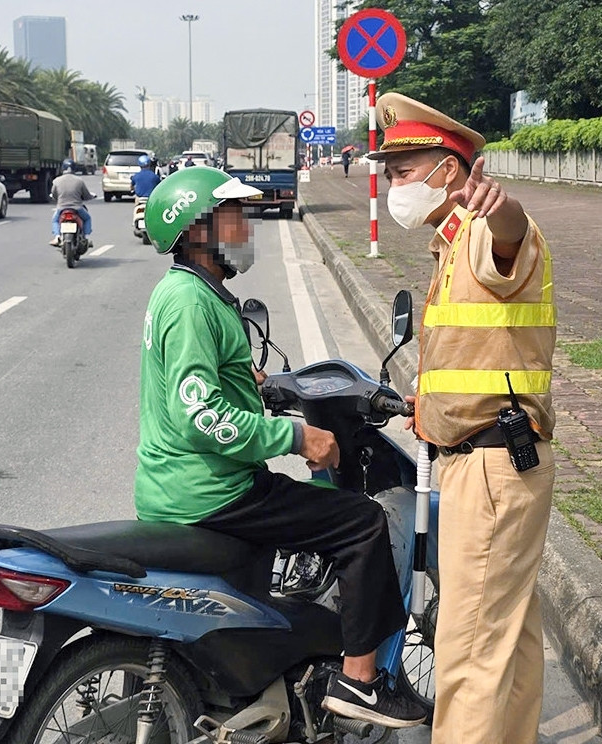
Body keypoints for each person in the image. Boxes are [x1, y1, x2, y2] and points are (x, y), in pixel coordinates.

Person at [135, 166, 428, 730]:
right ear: (197, 233)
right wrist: (298, 434)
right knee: (363, 523)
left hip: (174, 485)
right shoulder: (193, 305)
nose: (246, 227)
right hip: (210, 491)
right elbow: (199, 418)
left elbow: (199, 386)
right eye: (233, 217)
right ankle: (362, 682)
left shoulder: (190, 294)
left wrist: (257, 388)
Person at [367, 92, 556, 744]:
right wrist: (430, 408)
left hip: (491, 469)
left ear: (450, 172)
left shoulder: (484, 232)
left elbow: (514, 236)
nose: (393, 184)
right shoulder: (448, 247)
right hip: (491, 459)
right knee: (511, 641)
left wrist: (504, 209)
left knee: (468, 656)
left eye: (403, 170)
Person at [49, 159, 95, 247]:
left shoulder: (56, 181)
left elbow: (54, 195)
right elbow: (86, 195)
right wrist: (90, 197)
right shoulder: (79, 181)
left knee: (55, 220)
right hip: (77, 208)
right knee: (87, 218)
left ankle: (57, 236)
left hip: (61, 208)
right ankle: (85, 238)